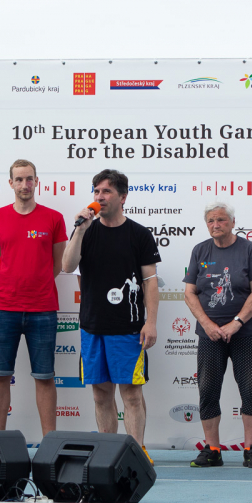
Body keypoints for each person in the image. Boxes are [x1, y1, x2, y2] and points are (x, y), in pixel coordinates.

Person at [61, 169, 161, 461]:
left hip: (127, 328)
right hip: (92, 327)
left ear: (122, 197)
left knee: (131, 395)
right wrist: (80, 229)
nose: (99, 197)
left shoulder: (139, 234)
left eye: (106, 191)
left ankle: (136, 455)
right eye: (96, 191)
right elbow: (67, 267)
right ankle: (107, 455)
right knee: (100, 394)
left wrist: (151, 322)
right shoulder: (85, 230)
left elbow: (150, 282)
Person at [0, 159, 68, 436]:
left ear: (37, 181)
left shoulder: (54, 218)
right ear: (11, 183)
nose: (25, 184)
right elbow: (0, 262)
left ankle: (49, 443)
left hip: (42, 308)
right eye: (19, 179)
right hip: (4, 308)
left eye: (29, 179)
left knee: (45, 377)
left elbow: (58, 264)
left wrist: (37, 283)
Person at [184, 202, 252, 468]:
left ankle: (251, 449)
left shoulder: (249, 250)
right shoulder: (200, 250)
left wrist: (237, 323)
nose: (215, 225)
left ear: (232, 222)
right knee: (208, 390)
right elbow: (189, 292)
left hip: (245, 333)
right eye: (211, 220)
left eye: (221, 220)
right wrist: (207, 324)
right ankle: (213, 449)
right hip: (209, 335)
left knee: (250, 389)